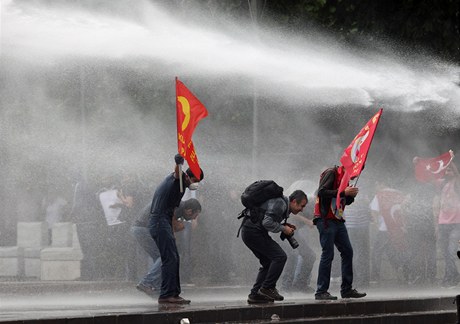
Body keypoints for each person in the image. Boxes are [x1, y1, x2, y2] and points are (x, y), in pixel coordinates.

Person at [148, 154, 204, 304]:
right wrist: (179, 163)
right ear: (188, 176)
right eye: (195, 181)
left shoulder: (182, 185)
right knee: (169, 258)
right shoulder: (178, 179)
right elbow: (177, 173)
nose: (196, 184)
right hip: (159, 220)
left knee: (174, 257)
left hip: (163, 221)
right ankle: (166, 295)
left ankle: (173, 293)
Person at [241, 189, 308, 304]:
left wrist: (283, 226)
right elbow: (266, 223)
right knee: (280, 256)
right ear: (293, 202)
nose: (302, 210)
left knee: (267, 262)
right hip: (253, 232)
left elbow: (266, 219)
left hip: (249, 231)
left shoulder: (281, 204)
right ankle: (267, 288)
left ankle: (255, 294)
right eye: (301, 206)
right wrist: (283, 229)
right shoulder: (280, 204)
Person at [313, 165, 366, 300]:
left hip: (338, 219)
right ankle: (321, 291)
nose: (356, 174)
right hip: (325, 219)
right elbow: (321, 192)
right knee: (328, 253)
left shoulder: (346, 178)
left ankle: (347, 289)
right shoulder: (332, 173)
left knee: (348, 251)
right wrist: (343, 192)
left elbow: (343, 201)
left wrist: (350, 196)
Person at [133, 198, 202, 297]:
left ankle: (157, 288)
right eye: (196, 214)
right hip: (144, 229)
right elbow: (169, 224)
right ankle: (147, 282)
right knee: (167, 256)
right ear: (189, 211)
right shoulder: (177, 206)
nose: (195, 218)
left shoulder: (177, 206)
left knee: (160, 258)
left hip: (140, 228)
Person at [435, 162, 460, 288]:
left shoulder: (457, 183)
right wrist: (419, 163)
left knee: (451, 252)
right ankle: (452, 276)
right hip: (443, 223)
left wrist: (451, 161)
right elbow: (430, 176)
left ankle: (452, 278)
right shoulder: (444, 184)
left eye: (450, 169)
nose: (448, 171)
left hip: (455, 223)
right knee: (445, 252)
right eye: (447, 169)